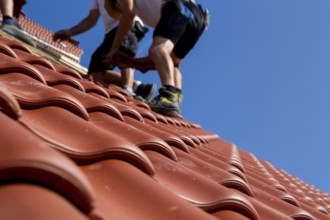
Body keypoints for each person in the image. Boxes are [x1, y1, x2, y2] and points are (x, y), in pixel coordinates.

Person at [103, 0, 209, 117]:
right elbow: (166, 62)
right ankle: (174, 101)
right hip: (199, 17)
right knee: (172, 62)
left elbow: (129, 13)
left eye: (119, 9)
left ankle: (168, 97)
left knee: (157, 50)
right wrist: (133, 63)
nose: (121, 11)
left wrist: (114, 48)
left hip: (177, 7)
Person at [53, 0, 156, 101]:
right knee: (95, 73)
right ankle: (138, 87)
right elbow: (91, 19)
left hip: (127, 23)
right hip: (111, 33)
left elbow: (129, 9)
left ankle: (128, 91)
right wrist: (70, 32)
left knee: (123, 52)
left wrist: (128, 21)